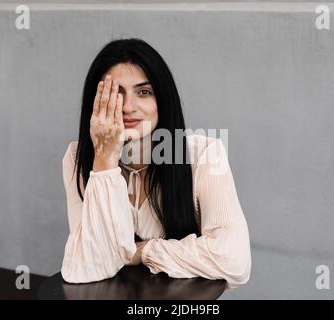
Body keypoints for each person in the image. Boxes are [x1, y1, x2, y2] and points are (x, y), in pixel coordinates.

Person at [60, 38, 251, 288]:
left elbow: (234, 260)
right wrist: (105, 158)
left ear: (162, 100)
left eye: (144, 92)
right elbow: (86, 267)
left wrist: (143, 252)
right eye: (115, 94)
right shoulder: (78, 157)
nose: (128, 107)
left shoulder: (204, 154)